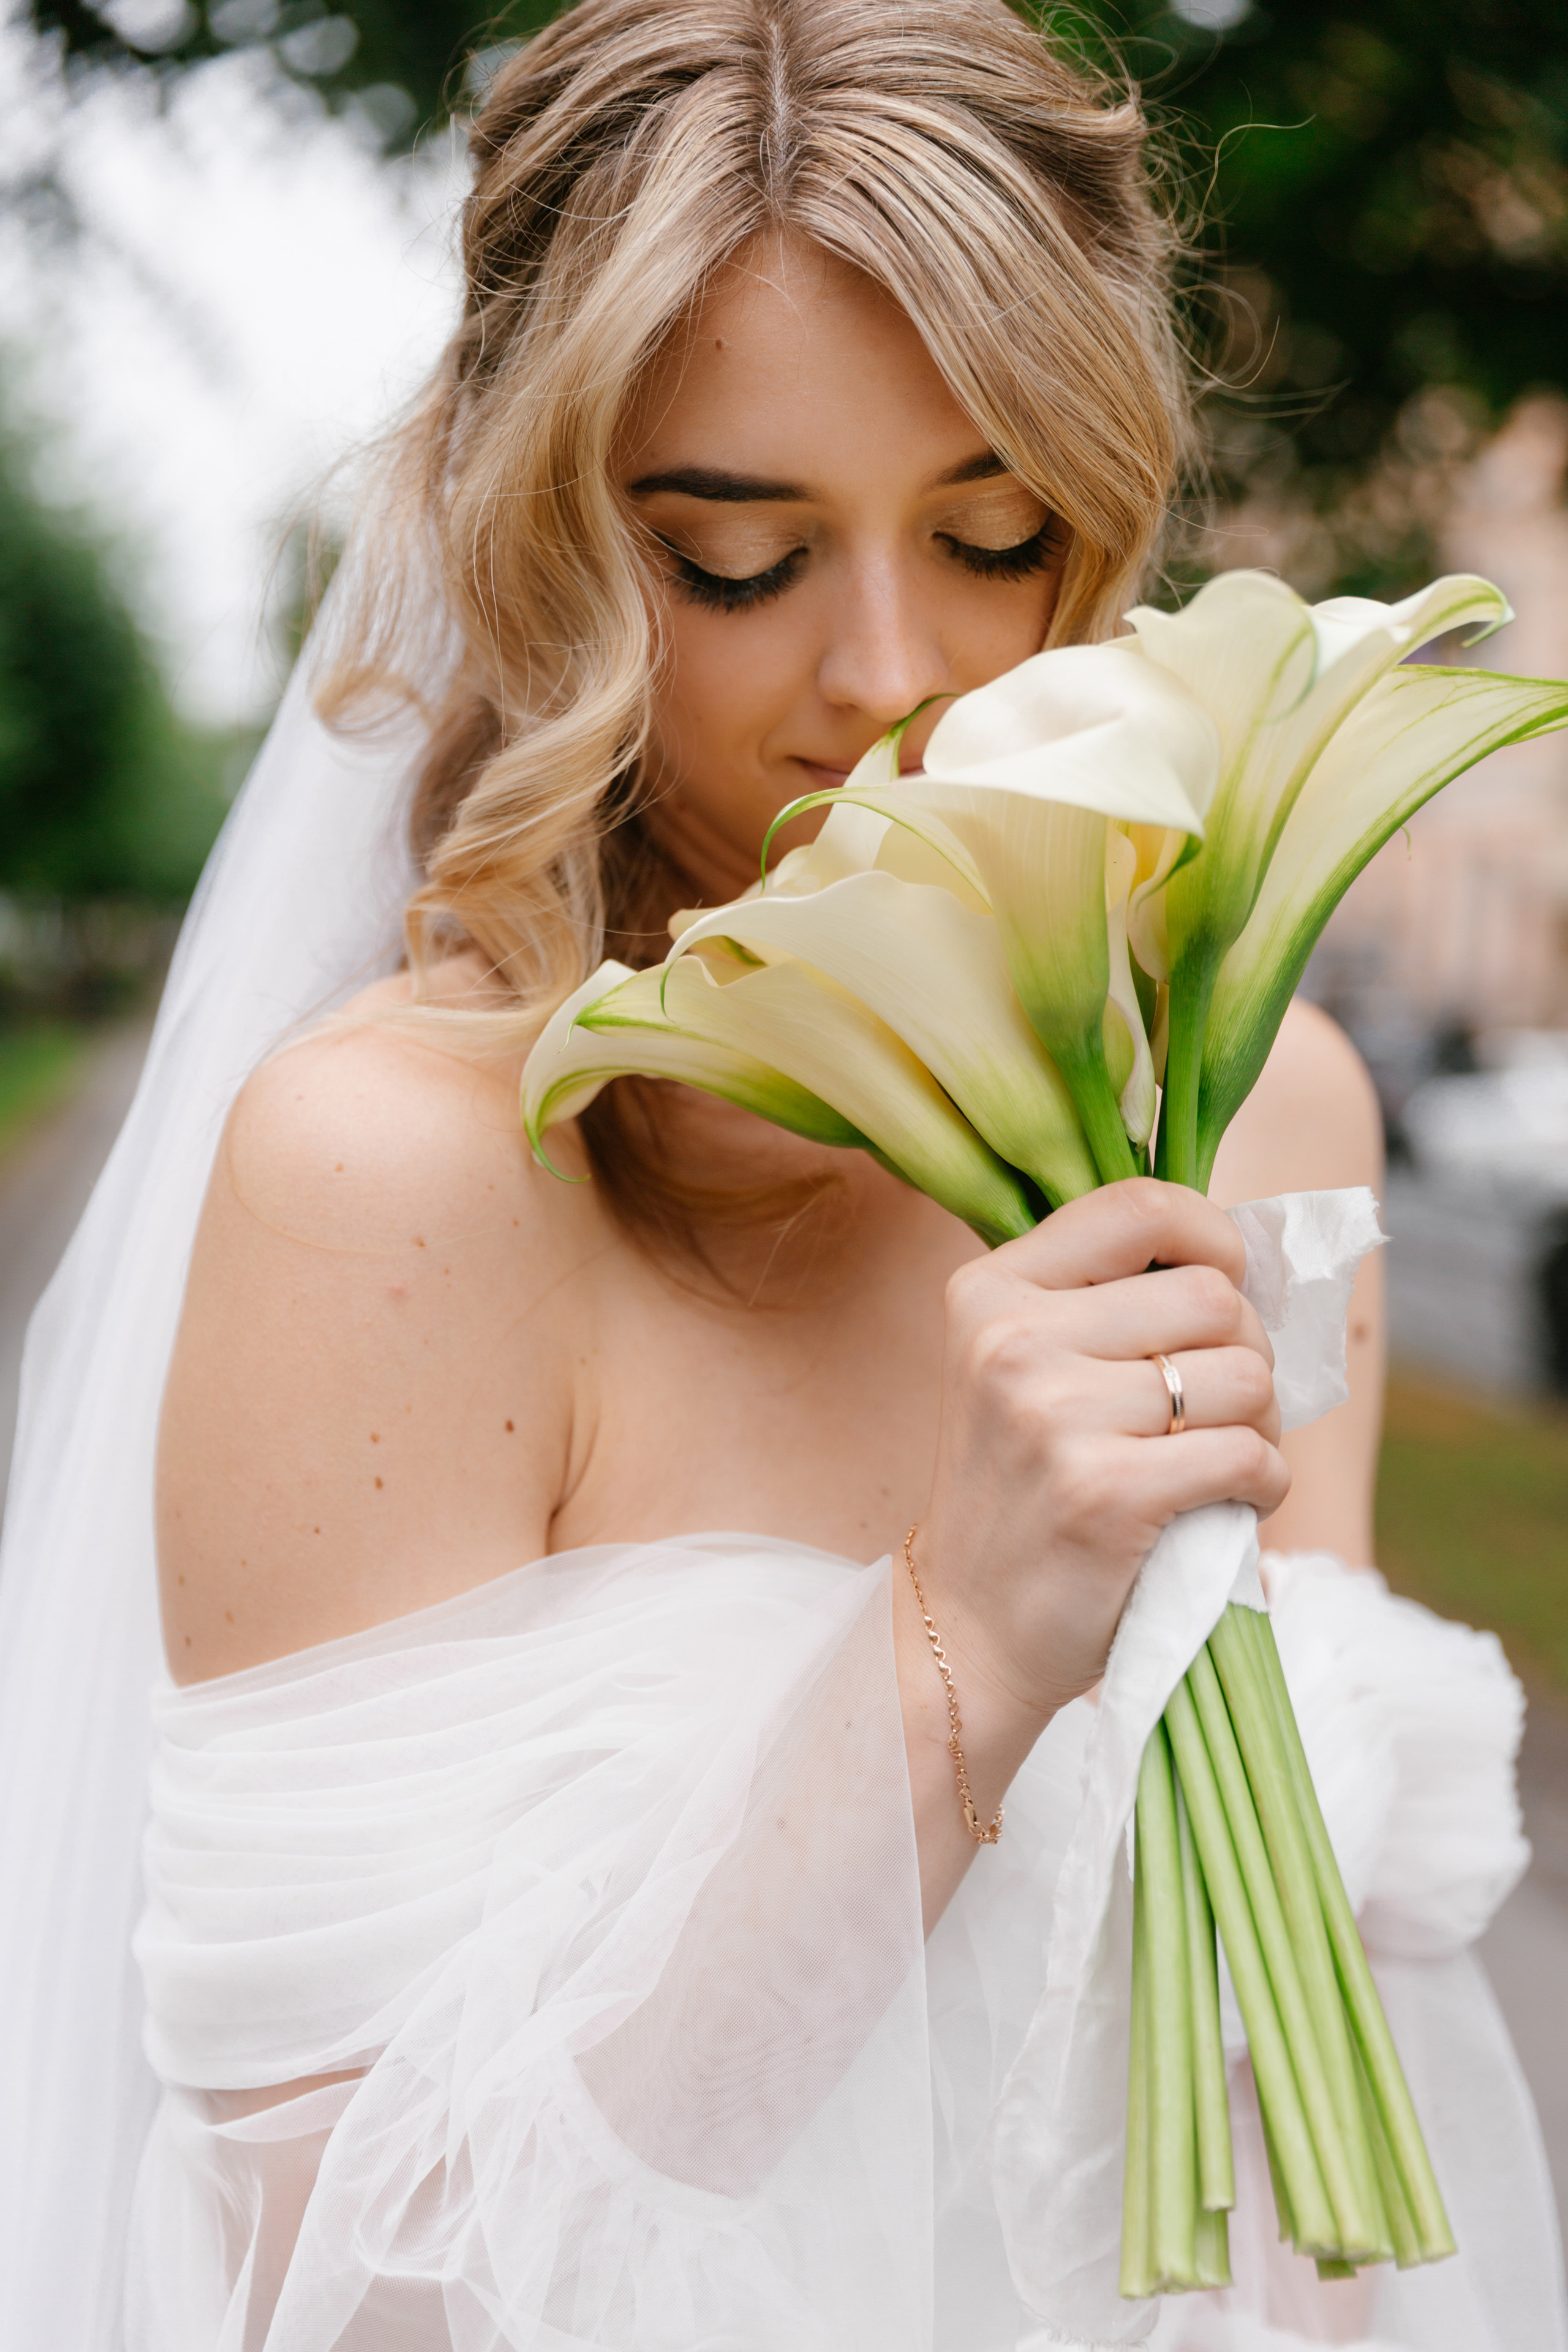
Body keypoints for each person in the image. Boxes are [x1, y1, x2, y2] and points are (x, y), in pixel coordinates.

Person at [0, 2, 1555, 2346]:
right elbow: (344, 2286)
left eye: (994, 534)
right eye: (738, 561)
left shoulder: (1268, 1114)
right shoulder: (401, 1184)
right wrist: (953, 1658)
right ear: (543, 545)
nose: (889, 678)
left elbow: (1303, 2059)